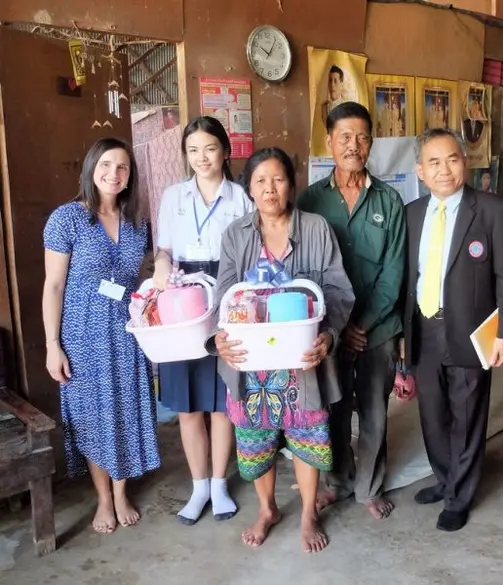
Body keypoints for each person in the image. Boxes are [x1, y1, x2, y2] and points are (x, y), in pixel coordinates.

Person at [208, 147, 355, 553]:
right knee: (255, 438)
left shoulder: (316, 228)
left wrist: (328, 336)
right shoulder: (236, 235)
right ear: (249, 188)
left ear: (291, 185)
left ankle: (308, 511)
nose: (270, 188)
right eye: (260, 181)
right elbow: (223, 294)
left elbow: (339, 290)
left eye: (278, 179)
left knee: (307, 432)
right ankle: (268, 508)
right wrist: (220, 337)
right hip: (250, 363)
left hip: (301, 361)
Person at [401, 127, 503, 532]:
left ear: (464, 162)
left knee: (467, 415)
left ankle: (460, 496)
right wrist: (403, 333)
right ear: (420, 170)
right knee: (432, 414)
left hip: (472, 331)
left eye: (452, 159)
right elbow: (408, 277)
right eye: (433, 162)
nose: (444, 170)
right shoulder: (412, 213)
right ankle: (444, 478)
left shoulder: (490, 209)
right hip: (424, 327)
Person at [42, 137, 160, 534]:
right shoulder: (66, 219)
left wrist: (161, 265)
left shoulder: (137, 221)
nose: (114, 174)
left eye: (123, 167)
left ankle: (122, 492)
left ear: (131, 176)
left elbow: (139, 275)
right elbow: (54, 286)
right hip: (82, 336)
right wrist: (51, 345)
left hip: (126, 333)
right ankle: (104, 499)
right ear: (91, 168)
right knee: (94, 418)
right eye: (106, 165)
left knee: (125, 412)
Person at [298, 102, 406, 520]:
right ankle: (338, 482)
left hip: (376, 330)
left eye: (361, 137)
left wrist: (362, 323)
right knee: (334, 408)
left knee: (376, 412)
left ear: (371, 143)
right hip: (329, 330)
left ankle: (368, 488)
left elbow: (394, 271)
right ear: (329, 142)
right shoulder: (310, 200)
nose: (353, 145)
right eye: (344, 136)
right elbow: (306, 268)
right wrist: (340, 326)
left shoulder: (389, 200)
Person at [153, 116, 252, 525]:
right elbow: (164, 251)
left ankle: (220, 485)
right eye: (193, 150)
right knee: (189, 407)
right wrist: (160, 267)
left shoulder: (241, 198)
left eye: (209, 148)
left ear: (225, 151)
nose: (201, 158)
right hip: (182, 302)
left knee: (221, 403)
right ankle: (197, 490)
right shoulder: (172, 196)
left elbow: (250, 253)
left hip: (226, 297)